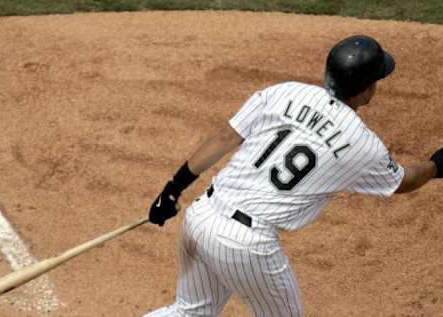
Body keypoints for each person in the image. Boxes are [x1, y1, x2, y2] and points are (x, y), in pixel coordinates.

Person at [143, 35, 442, 317]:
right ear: (366, 91)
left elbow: (224, 138)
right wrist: (436, 166)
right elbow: (404, 181)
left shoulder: (284, 91)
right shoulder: (362, 144)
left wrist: (171, 190)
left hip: (202, 214)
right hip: (246, 243)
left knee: (189, 312)